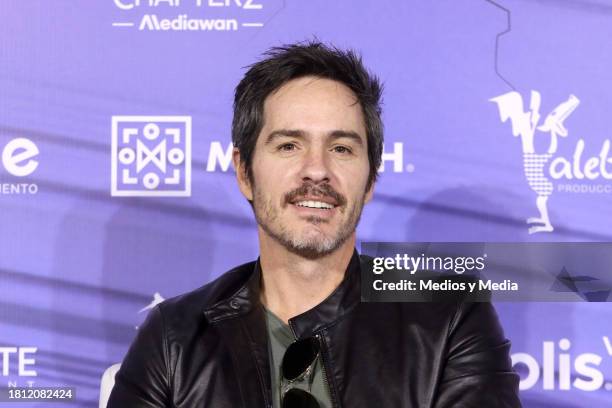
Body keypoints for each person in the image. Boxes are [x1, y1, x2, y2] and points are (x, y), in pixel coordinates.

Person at [107, 41, 521, 408]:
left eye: (341, 148)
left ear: (371, 178)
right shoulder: (173, 338)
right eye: (289, 145)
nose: (317, 171)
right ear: (244, 172)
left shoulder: (449, 318)